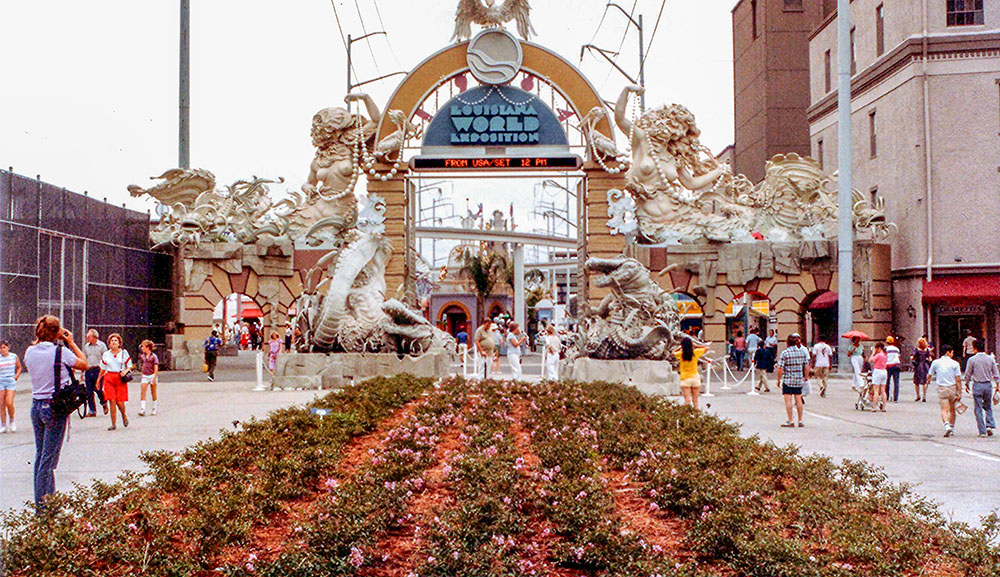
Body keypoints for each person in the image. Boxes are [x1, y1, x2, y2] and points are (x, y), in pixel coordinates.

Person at [24, 316, 88, 508]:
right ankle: (44, 509)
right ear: (57, 332)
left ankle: (47, 502)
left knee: (41, 455)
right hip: (54, 408)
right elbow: (84, 364)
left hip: (36, 406)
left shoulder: (30, 351)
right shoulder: (61, 352)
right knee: (48, 460)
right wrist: (71, 342)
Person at [963, 339, 998, 438]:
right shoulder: (990, 359)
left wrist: (966, 383)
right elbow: (995, 373)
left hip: (977, 385)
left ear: (974, 348)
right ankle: (989, 425)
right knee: (988, 406)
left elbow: (968, 373)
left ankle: (982, 431)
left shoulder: (972, 360)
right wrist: (997, 385)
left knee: (978, 408)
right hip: (988, 385)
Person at [928, 345, 963, 437]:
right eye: (952, 352)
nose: (952, 354)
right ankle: (951, 427)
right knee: (952, 409)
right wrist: (960, 391)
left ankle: (946, 425)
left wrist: (927, 381)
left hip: (941, 388)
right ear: (948, 352)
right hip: (952, 387)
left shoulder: (936, 362)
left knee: (944, 409)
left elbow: (929, 374)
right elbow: (958, 379)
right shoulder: (955, 363)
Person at [99, 333, 132, 431]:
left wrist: (125, 371)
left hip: (120, 378)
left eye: (115, 340)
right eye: (111, 341)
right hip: (109, 378)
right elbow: (102, 368)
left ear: (119, 343)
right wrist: (98, 380)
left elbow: (129, 366)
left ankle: (124, 416)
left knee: (120, 402)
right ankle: (113, 423)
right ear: (109, 343)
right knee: (111, 401)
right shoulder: (106, 354)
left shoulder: (124, 353)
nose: (113, 342)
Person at [777, 334, 810, 427]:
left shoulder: (785, 353)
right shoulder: (802, 352)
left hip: (788, 379)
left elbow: (780, 368)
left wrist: (778, 379)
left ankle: (790, 420)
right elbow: (806, 366)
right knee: (798, 399)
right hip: (799, 379)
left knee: (788, 400)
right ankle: (800, 420)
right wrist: (806, 376)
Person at [674, 336, 710, 409]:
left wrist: (680, 347)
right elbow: (707, 348)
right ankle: (696, 416)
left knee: (687, 400)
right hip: (695, 378)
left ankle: (687, 417)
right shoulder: (695, 353)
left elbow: (673, 352)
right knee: (695, 400)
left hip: (685, 378)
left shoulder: (681, 354)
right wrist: (696, 345)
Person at [82, 329, 109, 417]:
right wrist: (82, 373)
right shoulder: (86, 347)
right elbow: (84, 359)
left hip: (98, 369)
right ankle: (92, 410)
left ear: (94, 337)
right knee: (89, 391)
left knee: (98, 389)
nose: (87, 338)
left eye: (89, 337)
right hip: (89, 369)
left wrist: (104, 370)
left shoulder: (102, 346)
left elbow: (106, 358)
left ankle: (104, 402)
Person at [0, 340, 23, 433]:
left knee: (9, 402)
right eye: (0, 348)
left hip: (10, 381)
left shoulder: (14, 357)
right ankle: (3, 424)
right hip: (1, 382)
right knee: (1, 404)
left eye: (4, 348)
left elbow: (19, 367)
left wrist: (16, 376)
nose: (2, 350)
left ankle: (12, 421)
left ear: (8, 348)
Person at [138, 340, 159, 417]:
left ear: (147, 347)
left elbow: (156, 367)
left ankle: (154, 408)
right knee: (143, 391)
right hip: (145, 376)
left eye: (143, 346)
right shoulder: (142, 356)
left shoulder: (154, 356)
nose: (142, 348)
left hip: (152, 375)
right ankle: (142, 409)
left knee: (153, 392)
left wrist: (154, 377)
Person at [911, 337, 933, 402]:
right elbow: (930, 359)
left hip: (918, 366)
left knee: (916, 381)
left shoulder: (916, 350)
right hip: (925, 366)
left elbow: (912, 357)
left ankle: (918, 395)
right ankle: (924, 396)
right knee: (925, 381)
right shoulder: (927, 350)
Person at [869, 342, 888, 412]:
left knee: (876, 390)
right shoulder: (885, 355)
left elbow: (870, 360)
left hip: (877, 371)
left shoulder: (879, 355)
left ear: (879, 348)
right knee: (883, 390)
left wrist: (873, 353)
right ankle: (884, 407)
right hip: (884, 371)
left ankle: (874, 407)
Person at [885, 336, 902, 402]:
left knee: (887, 382)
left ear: (887, 342)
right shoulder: (896, 349)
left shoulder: (886, 349)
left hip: (888, 365)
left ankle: (887, 396)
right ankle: (895, 398)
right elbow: (899, 356)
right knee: (896, 382)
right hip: (896, 365)